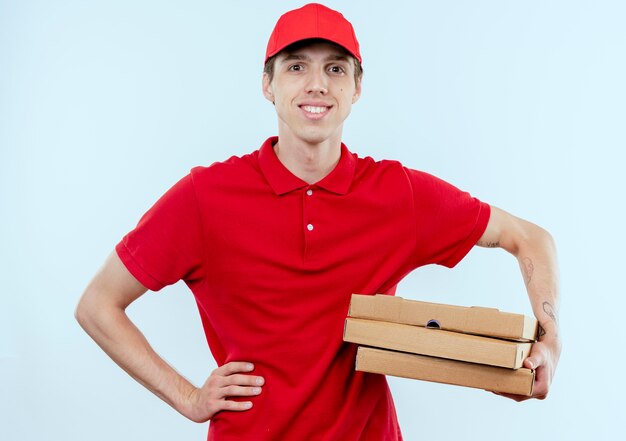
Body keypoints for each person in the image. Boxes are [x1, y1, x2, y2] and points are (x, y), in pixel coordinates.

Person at [75, 3, 561, 440]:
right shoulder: (205, 197)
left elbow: (529, 238)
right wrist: (186, 397)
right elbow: (98, 305)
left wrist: (549, 340)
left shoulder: (397, 194)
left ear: (356, 88)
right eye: (296, 67)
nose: (317, 84)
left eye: (334, 68)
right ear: (268, 85)